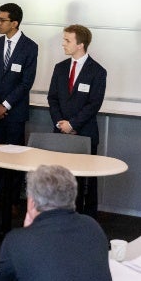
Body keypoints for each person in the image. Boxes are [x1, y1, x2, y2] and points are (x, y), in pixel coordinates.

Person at [0, 2, 39, 214]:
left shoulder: (30, 47)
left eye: (1, 20)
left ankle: (13, 201)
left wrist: (5, 105)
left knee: (14, 158)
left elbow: (26, 82)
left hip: (14, 112)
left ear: (14, 23)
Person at [47, 24, 107, 215]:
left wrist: (73, 124)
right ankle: (61, 216)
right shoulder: (60, 68)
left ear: (80, 44)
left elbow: (94, 104)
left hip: (85, 134)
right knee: (61, 179)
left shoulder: (97, 71)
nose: (63, 44)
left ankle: (86, 219)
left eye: (67, 40)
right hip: (61, 133)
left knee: (85, 181)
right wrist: (60, 123)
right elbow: (52, 98)